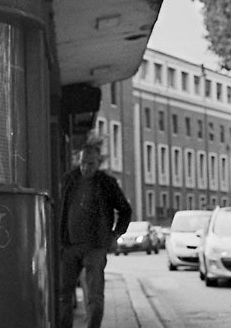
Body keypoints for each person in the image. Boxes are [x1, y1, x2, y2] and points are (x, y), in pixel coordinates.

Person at [58, 139, 132, 328]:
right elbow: (60, 209)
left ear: (98, 163)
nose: (85, 167)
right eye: (83, 163)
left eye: (90, 164)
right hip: (70, 246)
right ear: (79, 160)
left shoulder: (107, 183)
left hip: (95, 247)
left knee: (95, 297)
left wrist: (115, 234)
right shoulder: (69, 179)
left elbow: (125, 210)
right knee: (63, 295)